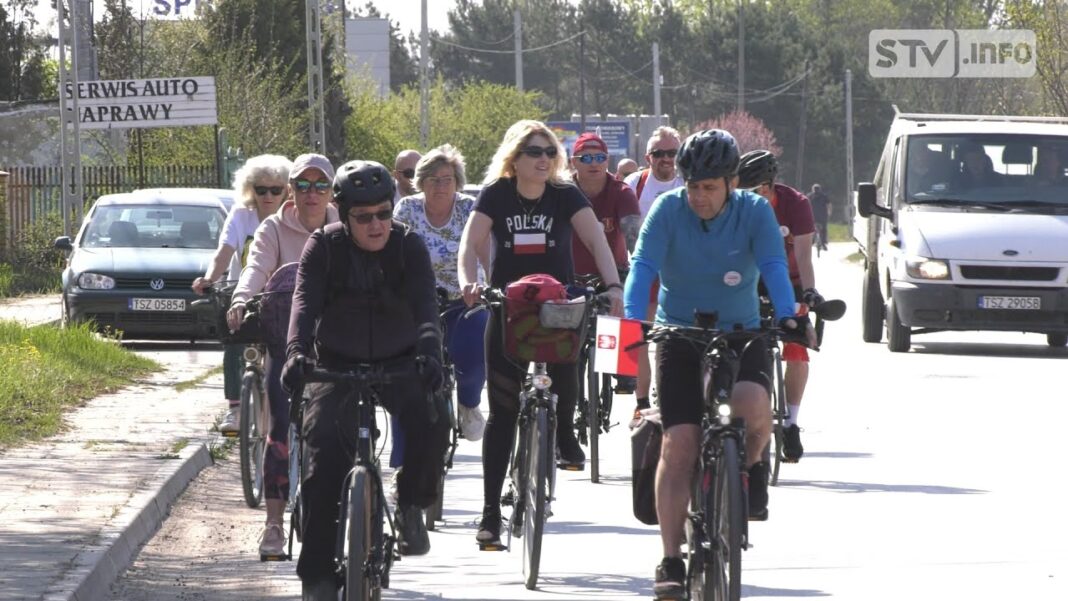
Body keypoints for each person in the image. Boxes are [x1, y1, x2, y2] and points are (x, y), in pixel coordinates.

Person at [624, 130, 812, 599]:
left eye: (709, 187)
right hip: (678, 332)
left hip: (740, 330)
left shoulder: (754, 212)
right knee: (680, 442)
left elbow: (772, 263)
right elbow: (643, 265)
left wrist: (787, 316)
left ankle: (747, 468)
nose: (698, 196)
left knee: (752, 407)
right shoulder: (668, 211)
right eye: (692, 186)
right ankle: (670, 558)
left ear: (732, 183)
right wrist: (631, 319)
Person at [282, 160, 448, 599]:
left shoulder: (408, 246)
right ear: (342, 213)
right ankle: (317, 575)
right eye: (363, 217)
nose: (377, 225)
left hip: (401, 359)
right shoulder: (323, 247)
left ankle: (412, 503)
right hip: (335, 362)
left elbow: (426, 306)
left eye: (384, 213)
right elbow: (303, 306)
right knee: (321, 466)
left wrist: (431, 351)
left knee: (434, 418)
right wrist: (296, 354)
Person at [457, 119, 624, 544]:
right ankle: (491, 513)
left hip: (557, 303)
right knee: (504, 410)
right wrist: (469, 282)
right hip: (509, 304)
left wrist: (614, 287)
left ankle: (565, 431)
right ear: (515, 158)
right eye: (535, 152)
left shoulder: (565, 194)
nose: (545, 159)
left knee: (568, 362)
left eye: (550, 152)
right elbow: (468, 243)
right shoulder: (496, 193)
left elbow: (597, 242)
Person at [226, 153, 339, 558]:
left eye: (320, 185)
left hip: (333, 341)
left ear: (330, 191)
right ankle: (273, 526)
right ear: (291, 190)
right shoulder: (273, 227)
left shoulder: (342, 226)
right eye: (303, 185)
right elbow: (256, 266)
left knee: (345, 424)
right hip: (284, 338)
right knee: (279, 424)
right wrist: (242, 297)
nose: (312, 194)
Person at [393, 143, 490, 449]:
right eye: (433, 179)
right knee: (405, 378)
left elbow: (486, 250)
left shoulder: (468, 208)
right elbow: (394, 255)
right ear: (420, 182)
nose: (441, 186)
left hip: (467, 297)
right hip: (418, 303)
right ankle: (402, 463)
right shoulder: (407, 209)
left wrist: (492, 283)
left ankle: (469, 403)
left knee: (475, 353)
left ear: (457, 181)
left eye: (447, 178)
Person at [192, 154, 292, 433]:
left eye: (276, 189)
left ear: (287, 189)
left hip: (283, 293)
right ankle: (235, 409)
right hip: (245, 292)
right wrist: (210, 278)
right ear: (251, 189)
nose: (269, 195)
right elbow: (224, 252)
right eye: (261, 189)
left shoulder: (292, 216)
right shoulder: (241, 215)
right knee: (234, 339)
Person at [738, 149, 819, 463]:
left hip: (791, 279)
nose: (751, 196)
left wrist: (809, 293)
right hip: (750, 279)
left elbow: (803, 256)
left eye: (757, 189)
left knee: (796, 348)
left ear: (770, 184)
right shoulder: (740, 204)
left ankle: (791, 422)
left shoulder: (795, 204)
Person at [623, 126, 685, 425]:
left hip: (682, 269)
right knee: (637, 334)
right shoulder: (634, 184)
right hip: (645, 266)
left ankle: (670, 395)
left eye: (673, 152)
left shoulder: (690, 181)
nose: (666, 159)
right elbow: (627, 232)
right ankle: (641, 401)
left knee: (670, 338)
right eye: (660, 154)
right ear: (649, 157)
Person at [809, 183, 830, 251]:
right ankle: (823, 243)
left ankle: (812, 242)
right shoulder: (824, 196)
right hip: (822, 216)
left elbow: (806, 205)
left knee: (811, 230)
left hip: (812, 216)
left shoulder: (809, 196)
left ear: (812, 189)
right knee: (823, 229)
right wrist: (829, 212)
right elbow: (829, 205)